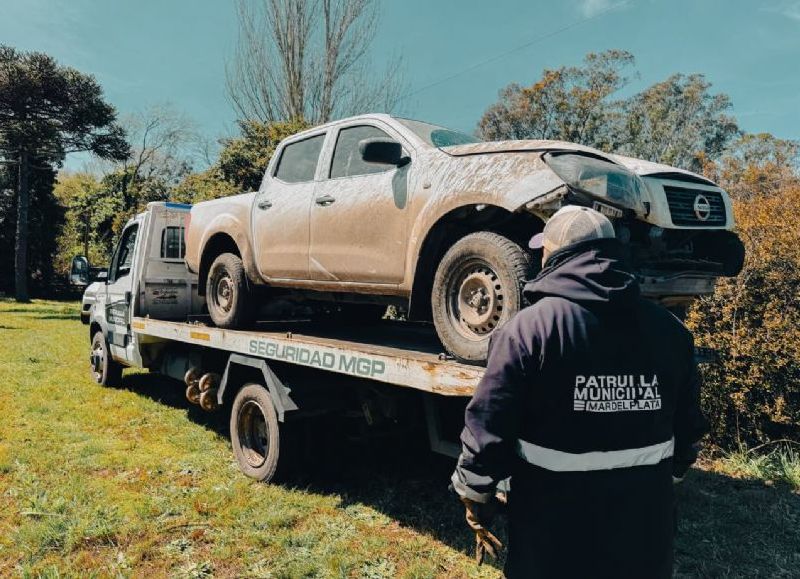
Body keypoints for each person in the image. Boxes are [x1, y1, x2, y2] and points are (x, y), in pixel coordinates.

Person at [450, 205, 708, 578]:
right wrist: (672, 476)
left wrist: (475, 493)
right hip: (643, 535)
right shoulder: (671, 332)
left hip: (552, 539)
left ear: (552, 255)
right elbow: (689, 427)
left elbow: (489, 423)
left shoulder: (527, 331)